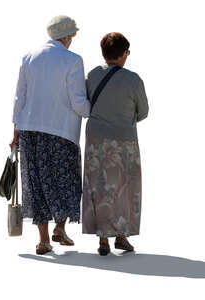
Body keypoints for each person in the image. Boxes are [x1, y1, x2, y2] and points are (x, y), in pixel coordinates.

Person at [10, 15, 90, 255]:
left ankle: (43, 240)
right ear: (66, 36)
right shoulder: (73, 60)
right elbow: (78, 102)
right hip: (61, 131)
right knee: (65, 181)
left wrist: (15, 132)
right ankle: (60, 227)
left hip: (29, 130)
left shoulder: (28, 57)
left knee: (36, 184)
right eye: (72, 35)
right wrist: (94, 111)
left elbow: (19, 98)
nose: (73, 39)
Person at [82, 32, 149, 255]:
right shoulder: (133, 79)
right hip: (124, 140)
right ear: (122, 54)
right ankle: (121, 236)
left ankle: (103, 239)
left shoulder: (91, 75)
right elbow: (144, 112)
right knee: (123, 188)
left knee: (99, 186)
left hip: (95, 138)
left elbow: (87, 103)